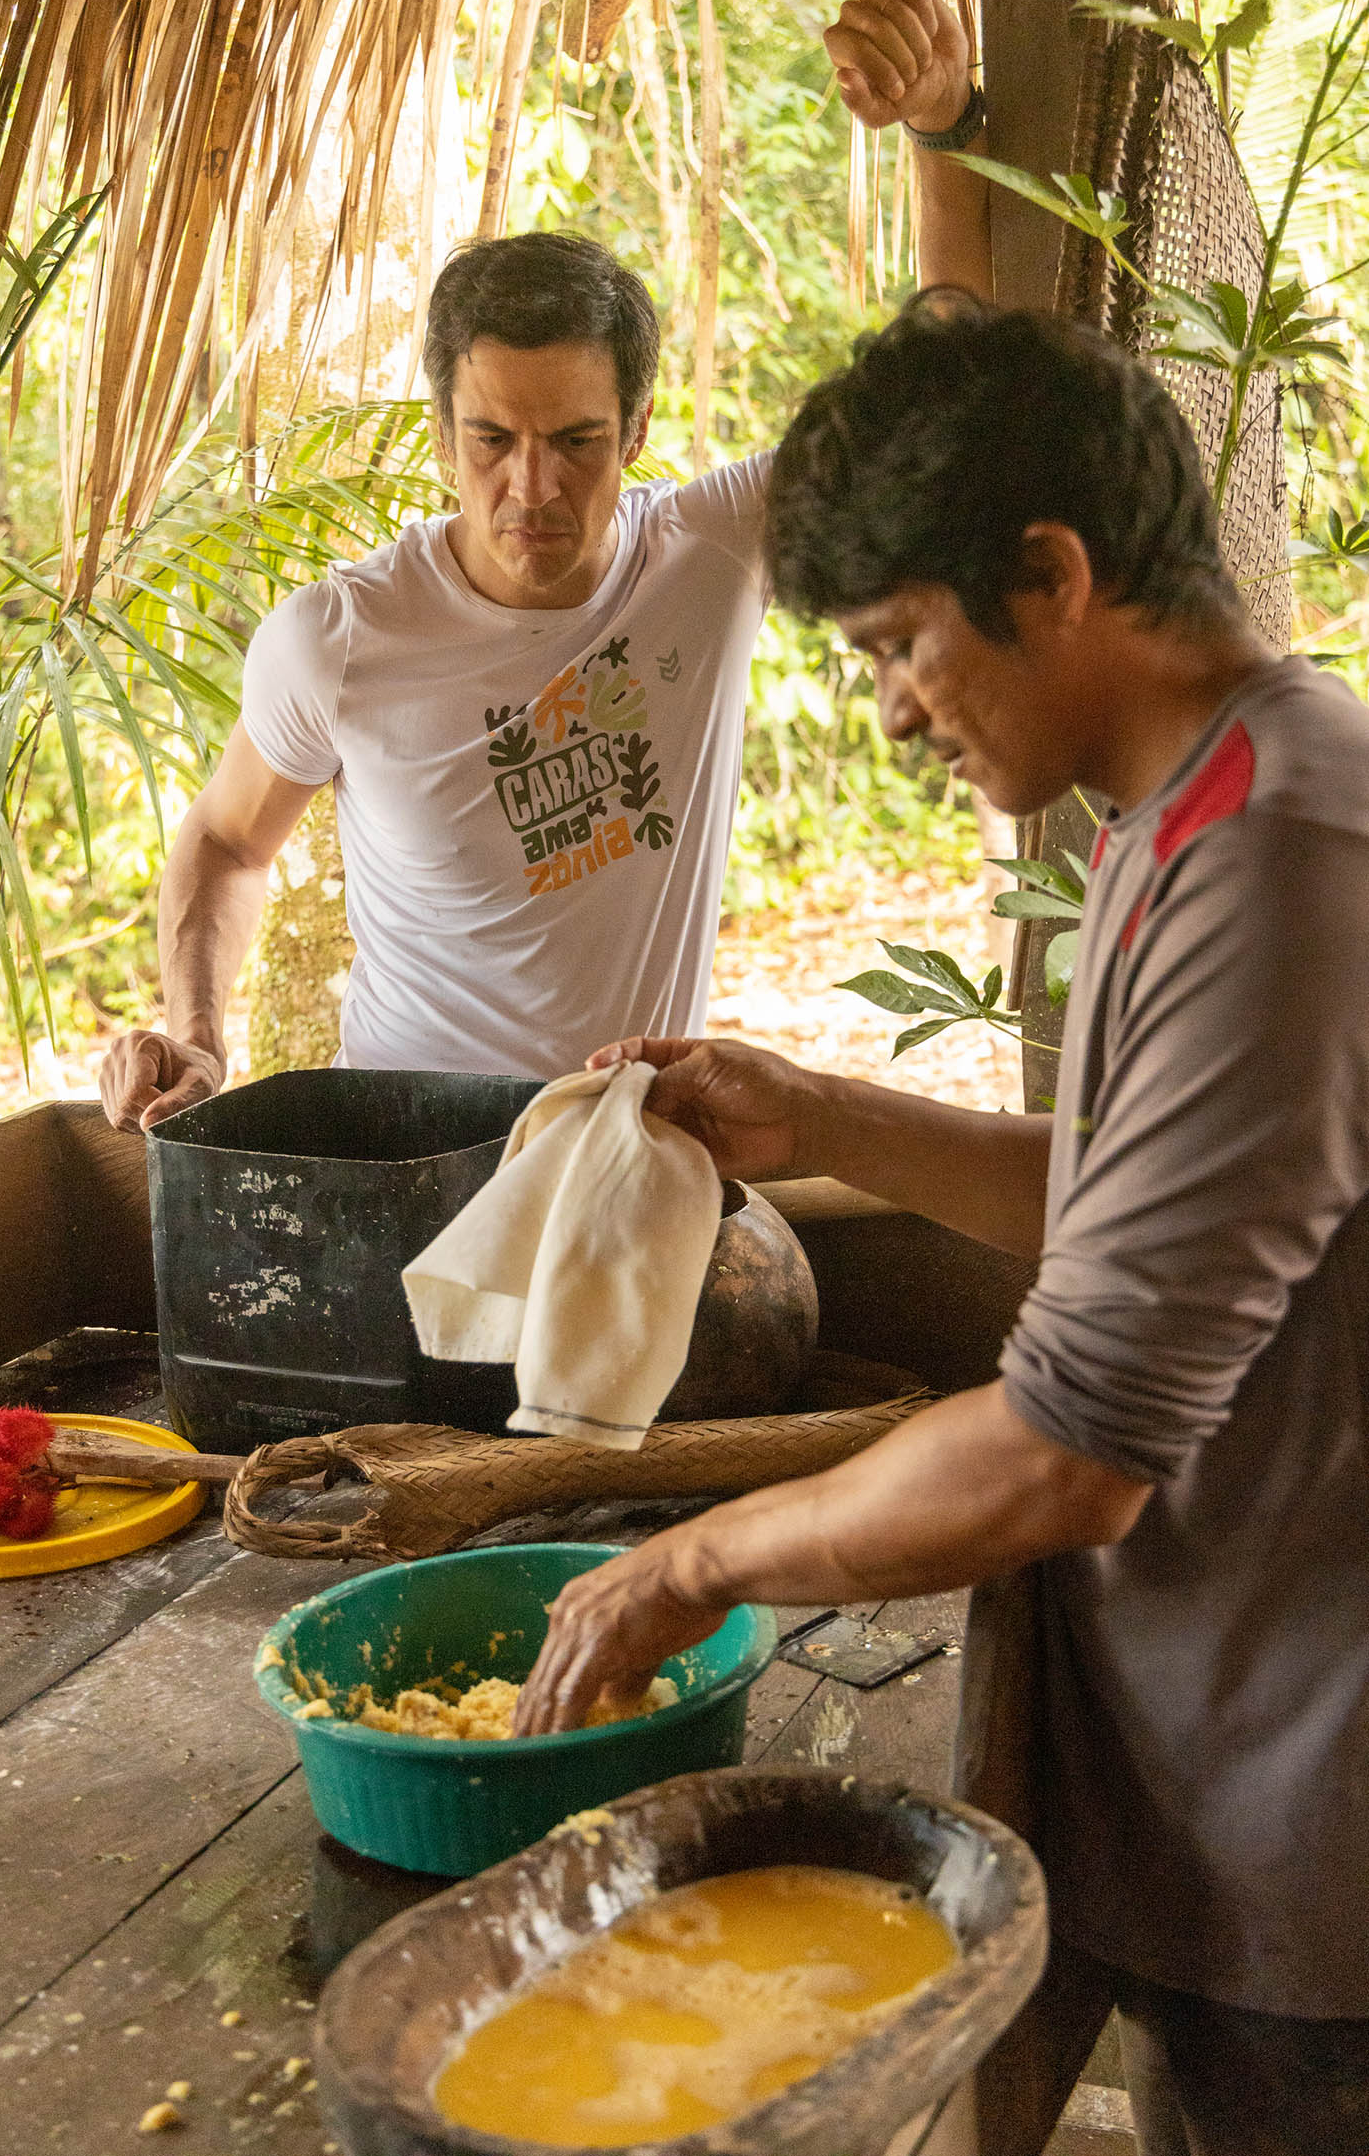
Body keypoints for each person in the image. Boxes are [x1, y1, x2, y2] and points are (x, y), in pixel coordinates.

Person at [514, 298, 1369, 2156]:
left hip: (1323, 1828)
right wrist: (823, 1119)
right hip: (1244, 1760)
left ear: (1050, 573)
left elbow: (1069, 1454)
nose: (896, 707)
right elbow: (1160, 1202)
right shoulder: (1198, 801)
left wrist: (690, 1565)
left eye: (905, 641)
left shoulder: (1282, 856)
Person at [99, 0, 994, 1132]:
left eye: (577, 442)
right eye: (493, 441)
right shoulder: (339, 639)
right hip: (401, 1167)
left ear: (636, 432)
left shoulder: (709, 554)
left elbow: (946, 387)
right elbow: (224, 840)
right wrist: (198, 1039)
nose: (533, 488)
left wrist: (941, 128)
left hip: (620, 1151)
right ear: (442, 437)